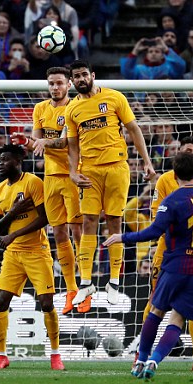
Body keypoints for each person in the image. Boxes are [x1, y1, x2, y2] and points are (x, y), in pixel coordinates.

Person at [103, 152, 193, 379]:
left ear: (175, 174)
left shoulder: (173, 200)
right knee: (178, 320)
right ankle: (155, 361)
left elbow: (153, 231)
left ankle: (141, 359)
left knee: (156, 311)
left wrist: (122, 238)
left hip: (176, 265)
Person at [65, 59, 156, 308]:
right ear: (72, 81)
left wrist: (146, 161)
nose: (81, 79)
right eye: (77, 76)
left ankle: (114, 281)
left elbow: (133, 129)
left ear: (92, 75)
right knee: (88, 221)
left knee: (114, 220)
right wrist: (73, 172)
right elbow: (72, 145)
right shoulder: (71, 109)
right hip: (89, 171)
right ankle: (86, 281)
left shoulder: (115, 98)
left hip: (117, 168)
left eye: (84, 74)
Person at [137, 136, 193, 372]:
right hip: (169, 250)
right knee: (155, 301)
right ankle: (141, 354)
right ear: (180, 155)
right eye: (189, 150)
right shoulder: (166, 180)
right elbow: (157, 216)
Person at [10, 66, 84, 314]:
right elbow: (35, 145)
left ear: (69, 85)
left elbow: (64, 141)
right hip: (51, 177)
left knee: (77, 232)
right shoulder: (40, 109)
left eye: (60, 83)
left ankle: (86, 286)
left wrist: (41, 141)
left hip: (74, 175)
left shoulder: (74, 107)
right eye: (51, 83)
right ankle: (71, 289)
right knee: (59, 233)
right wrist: (24, 141)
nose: (55, 87)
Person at [0, 144, 64, 371]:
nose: (1, 163)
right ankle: (2, 355)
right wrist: (13, 212)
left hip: (37, 251)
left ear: (18, 161)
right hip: (13, 255)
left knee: (46, 303)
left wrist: (15, 233)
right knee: (1, 301)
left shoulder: (34, 183)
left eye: (5, 160)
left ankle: (55, 355)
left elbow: (45, 218)